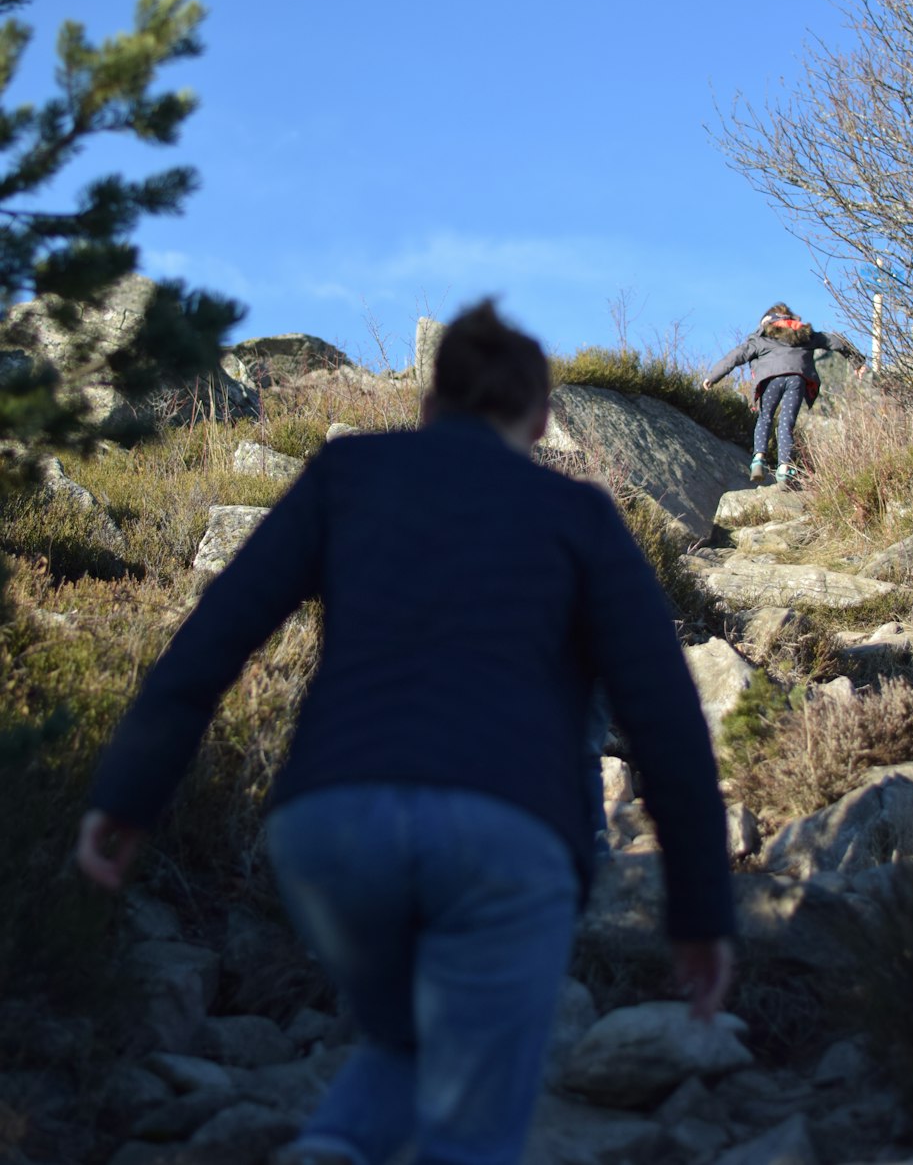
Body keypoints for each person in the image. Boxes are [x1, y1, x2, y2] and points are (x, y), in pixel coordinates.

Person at [77, 299, 735, 1165]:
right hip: (511, 833)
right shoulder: (579, 518)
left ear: (429, 407)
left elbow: (215, 637)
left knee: (407, 1041)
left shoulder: (347, 474)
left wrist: (126, 794)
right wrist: (698, 913)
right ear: (541, 420)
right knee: (471, 1128)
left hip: (330, 827)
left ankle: (333, 1147)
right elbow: (664, 718)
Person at [703, 301, 865, 485]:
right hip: (797, 379)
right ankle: (784, 468)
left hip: (770, 379)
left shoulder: (761, 338)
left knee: (765, 417)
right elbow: (836, 340)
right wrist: (857, 361)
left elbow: (735, 356)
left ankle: (758, 459)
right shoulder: (805, 335)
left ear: (767, 322)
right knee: (786, 423)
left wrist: (712, 376)